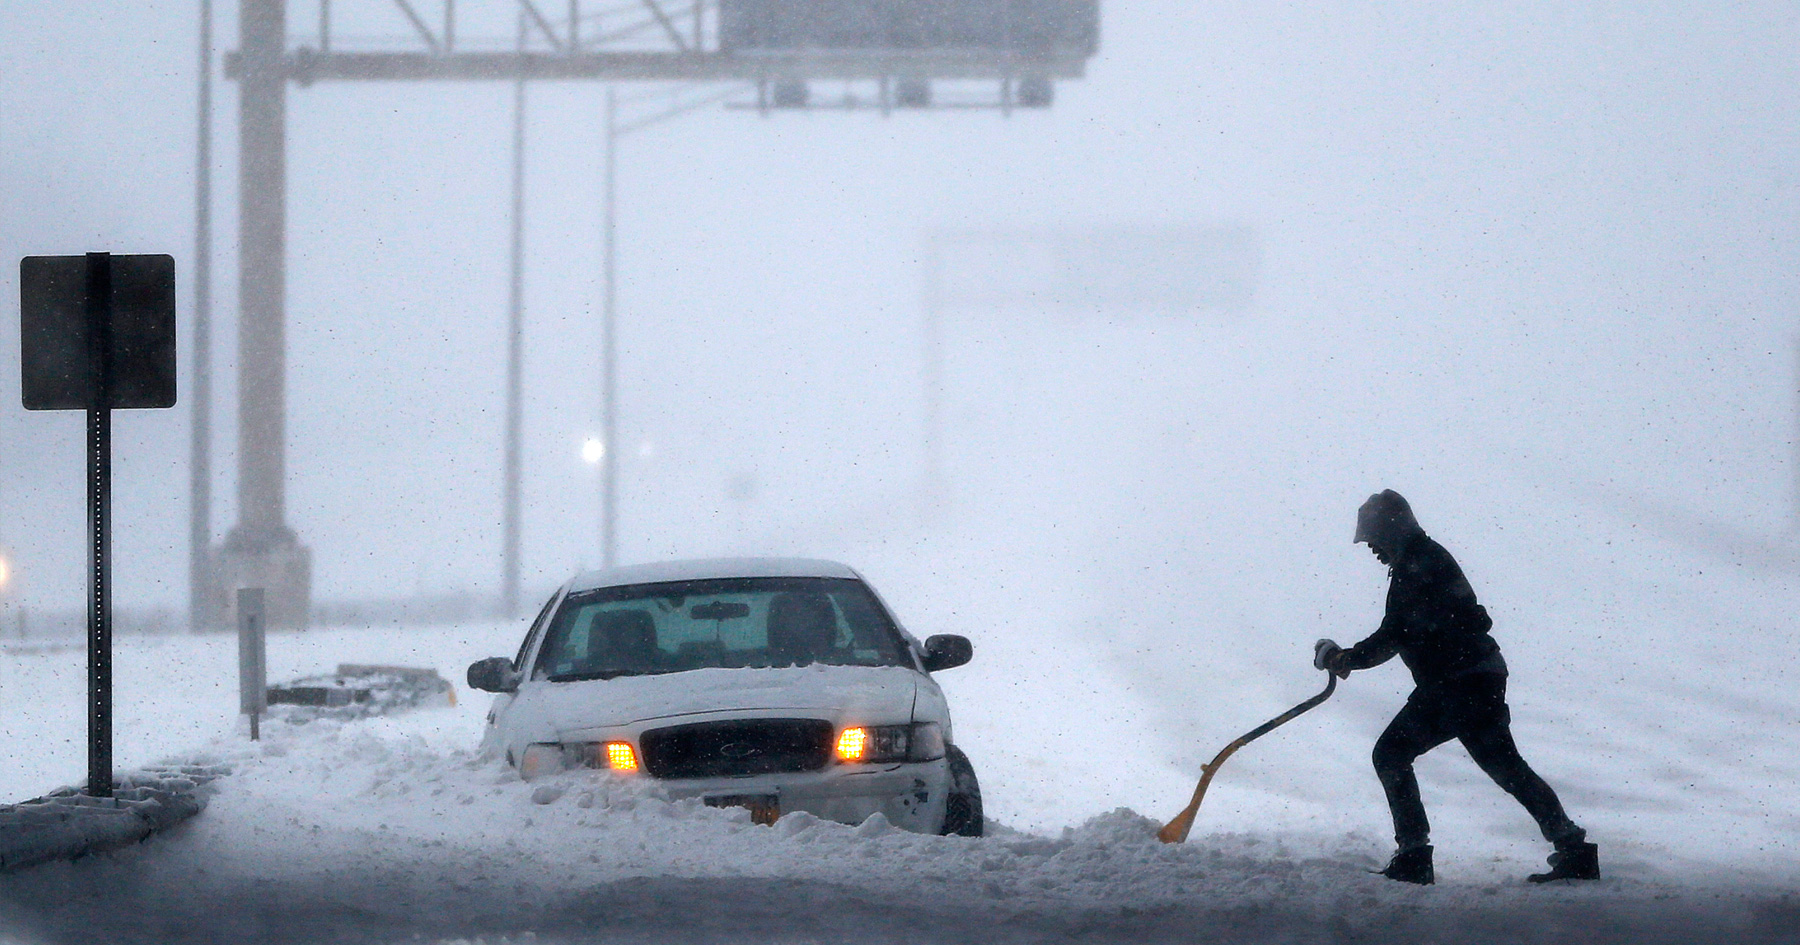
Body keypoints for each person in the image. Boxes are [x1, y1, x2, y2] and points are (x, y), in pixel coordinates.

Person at [1315, 490, 1599, 885]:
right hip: (1477, 676)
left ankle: (1414, 854)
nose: (1373, 549)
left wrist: (1344, 659)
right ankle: (1573, 849)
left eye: (1375, 539)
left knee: (1391, 754)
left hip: (1457, 683)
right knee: (1506, 767)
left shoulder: (1418, 565)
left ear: (1392, 531)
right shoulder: (1424, 558)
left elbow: (1395, 633)